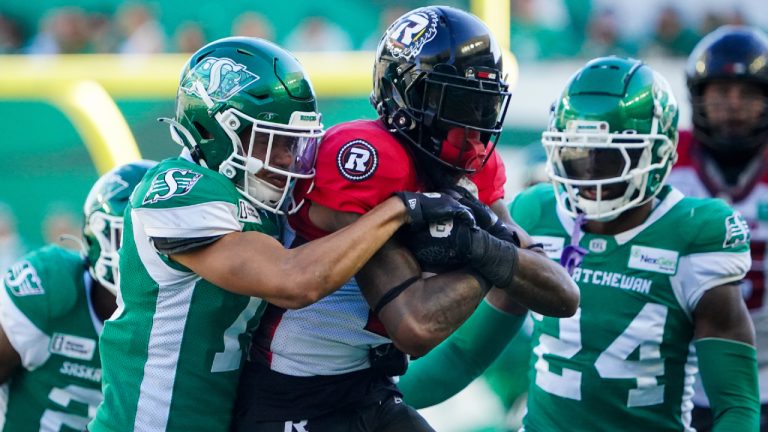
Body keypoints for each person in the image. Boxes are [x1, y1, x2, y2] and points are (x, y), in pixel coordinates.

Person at [87, 37, 473, 432]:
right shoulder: (178, 188)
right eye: (272, 142)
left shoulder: (261, 204)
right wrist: (398, 209)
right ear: (215, 130)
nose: (289, 160)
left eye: (295, 143)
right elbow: (294, 281)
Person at [232, 6, 579, 432]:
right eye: (460, 103)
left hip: (372, 388)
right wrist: (491, 254)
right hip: (290, 394)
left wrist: (483, 246)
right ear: (406, 96)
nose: (473, 128)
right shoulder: (364, 157)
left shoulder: (472, 166)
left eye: (484, 107)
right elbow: (413, 325)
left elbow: (563, 295)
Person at [509, 56, 758, 431]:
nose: (591, 172)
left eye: (611, 157)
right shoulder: (535, 214)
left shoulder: (694, 232)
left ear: (658, 153)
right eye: (577, 154)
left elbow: (736, 406)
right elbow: (464, 353)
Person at [0, 160, 156, 431]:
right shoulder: (53, 284)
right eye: (129, 236)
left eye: (157, 237)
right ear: (99, 236)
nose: (145, 253)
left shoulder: (191, 313)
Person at [668, 25, 768, 431]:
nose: (733, 105)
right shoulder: (664, 161)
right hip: (679, 379)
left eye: (747, 93)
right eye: (720, 92)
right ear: (698, 95)